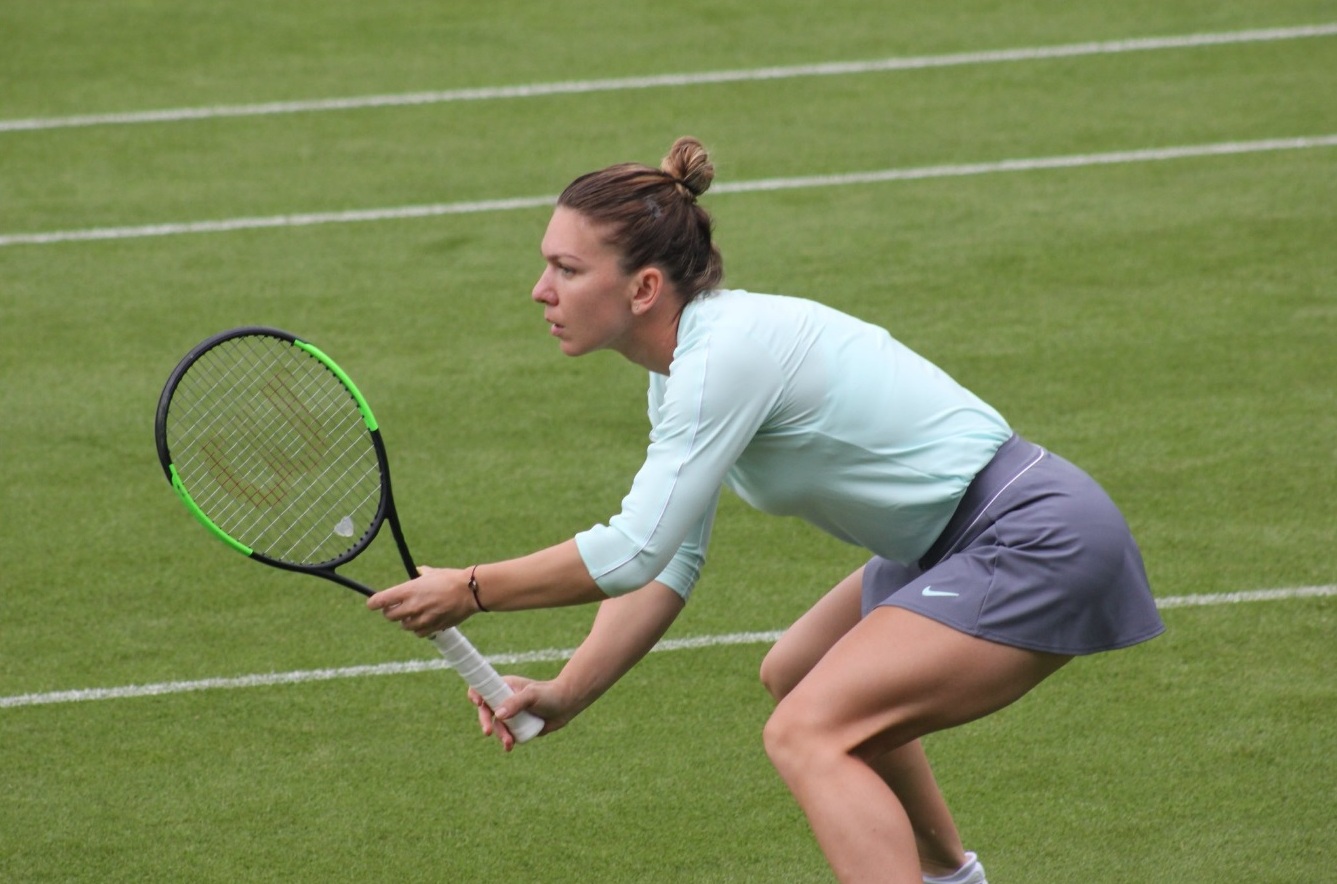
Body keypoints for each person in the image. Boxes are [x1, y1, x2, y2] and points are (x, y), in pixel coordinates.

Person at [367, 136, 1165, 884]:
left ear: (644, 288)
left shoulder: (723, 357)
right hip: (954, 541)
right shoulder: (686, 367)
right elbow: (668, 559)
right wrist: (568, 691)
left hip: (1029, 536)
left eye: (567, 269)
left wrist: (469, 588)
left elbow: (632, 550)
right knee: (796, 673)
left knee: (807, 731)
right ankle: (954, 875)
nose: (540, 290)